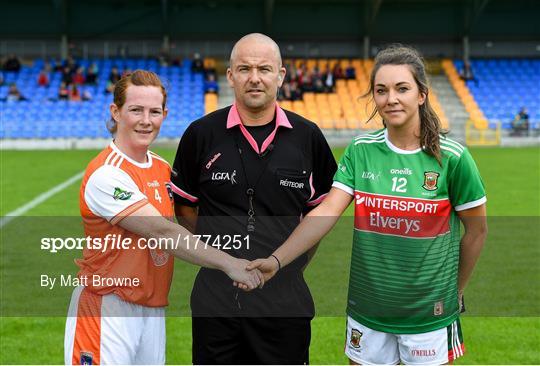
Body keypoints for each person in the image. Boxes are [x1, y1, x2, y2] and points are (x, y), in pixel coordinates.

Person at [249, 45, 488, 365]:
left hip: (429, 314)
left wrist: (455, 291)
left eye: (402, 88)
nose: (391, 99)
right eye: (381, 90)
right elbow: (326, 211)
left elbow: (476, 232)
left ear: (421, 95)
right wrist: (276, 261)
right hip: (368, 310)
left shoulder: (453, 158)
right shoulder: (361, 151)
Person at [64, 70, 263, 365]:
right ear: (115, 112)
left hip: (152, 307)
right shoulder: (107, 173)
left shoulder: (162, 168)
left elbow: (191, 217)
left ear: (165, 114)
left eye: (154, 111)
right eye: (136, 110)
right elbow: (163, 233)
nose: (146, 120)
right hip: (108, 306)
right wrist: (231, 264)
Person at [171, 33, 337, 364]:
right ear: (230, 75)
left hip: (285, 304)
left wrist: (287, 261)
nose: (255, 77)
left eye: (264, 68)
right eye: (244, 68)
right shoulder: (200, 134)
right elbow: (185, 210)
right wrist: (222, 258)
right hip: (215, 304)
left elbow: (318, 217)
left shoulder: (308, 137)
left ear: (281, 75)